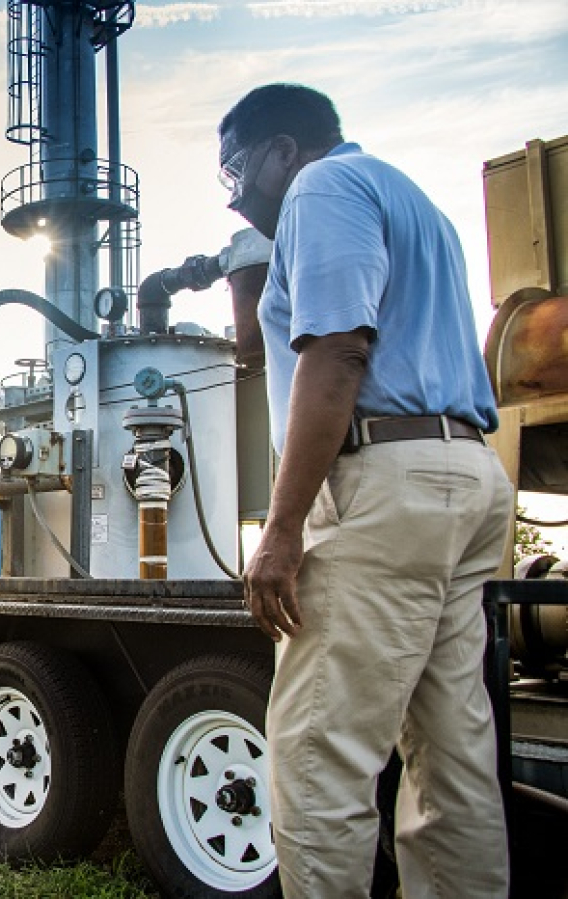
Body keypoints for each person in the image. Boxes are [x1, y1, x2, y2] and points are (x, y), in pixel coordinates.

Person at [221, 84, 513, 898]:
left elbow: (339, 352)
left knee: (320, 758)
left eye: (234, 170)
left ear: (283, 151)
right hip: (467, 475)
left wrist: (281, 530)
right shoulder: (417, 202)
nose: (236, 195)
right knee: (453, 759)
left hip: (382, 486)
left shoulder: (323, 188)